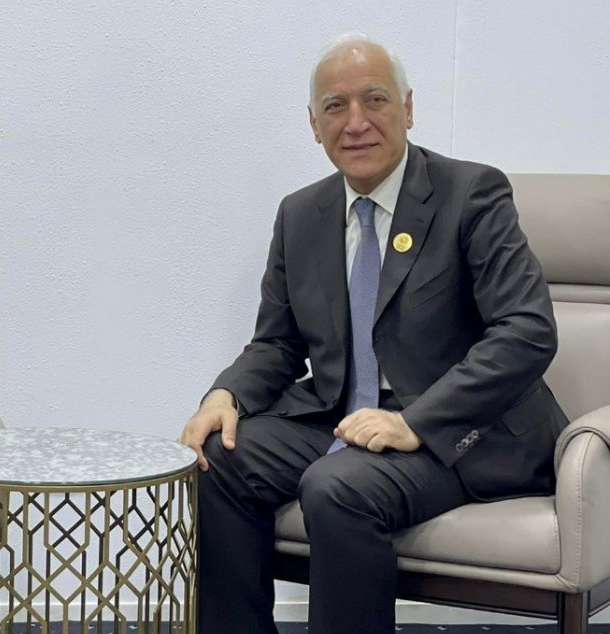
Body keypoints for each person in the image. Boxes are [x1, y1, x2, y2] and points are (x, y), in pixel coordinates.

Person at [179, 33, 568, 634]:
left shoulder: (471, 194)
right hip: (343, 416)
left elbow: (527, 331)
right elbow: (278, 344)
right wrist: (224, 395)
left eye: (375, 100)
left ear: (407, 109)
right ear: (314, 125)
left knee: (336, 486)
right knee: (216, 461)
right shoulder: (300, 215)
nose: (356, 122)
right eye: (335, 107)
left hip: (461, 430)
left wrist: (416, 422)